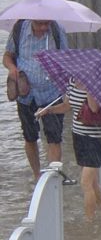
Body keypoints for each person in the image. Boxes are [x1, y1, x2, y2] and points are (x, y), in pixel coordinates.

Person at [4, 19, 71, 180]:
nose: (43, 28)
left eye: (46, 24)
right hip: (26, 95)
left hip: (51, 93)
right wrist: (12, 68)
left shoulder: (56, 30)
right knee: (29, 136)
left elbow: (67, 59)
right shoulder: (19, 29)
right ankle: (37, 176)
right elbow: (7, 56)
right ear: (31, 20)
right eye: (39, 24)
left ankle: (53, 178)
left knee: (54, 137)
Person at [35, 79, 101, 218]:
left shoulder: (95, 83)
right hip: (78, 136)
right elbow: (67, 106)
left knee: (85, 183)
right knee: (92, 181)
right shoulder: (72, 81)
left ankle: (89, 223)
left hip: (95, 139)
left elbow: (94, 108)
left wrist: (89, 88)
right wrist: (48, 110)